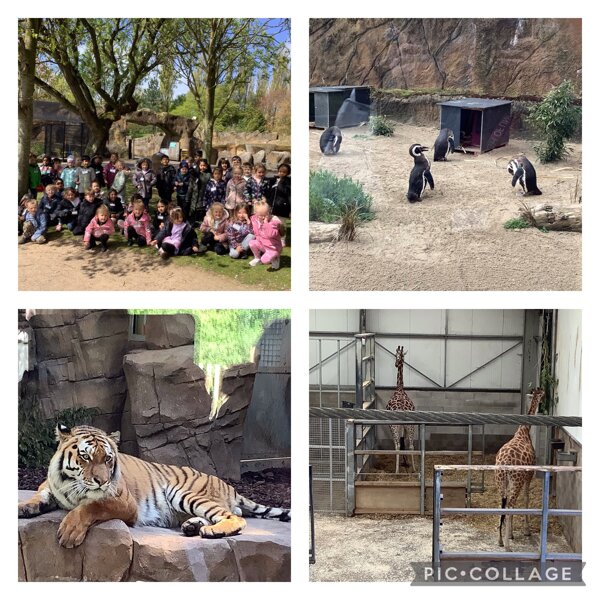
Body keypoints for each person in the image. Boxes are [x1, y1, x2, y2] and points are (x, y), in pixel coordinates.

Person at [248, 199, 285, 270]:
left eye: (265, 214)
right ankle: (257, 258)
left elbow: (271, 235)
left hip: (273, 247)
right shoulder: (254, 219)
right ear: (255, 213)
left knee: (264, 260)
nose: (263, 217)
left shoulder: (274, 221)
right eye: (260, 215)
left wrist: (265, 223)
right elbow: (255, 231)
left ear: (268, 212)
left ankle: (275, 257)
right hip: (263, 244)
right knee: (252, 243)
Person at [186, 158, 211, 225]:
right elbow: (190, 186)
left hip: (203, 194)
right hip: (194, 194)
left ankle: (201, 221)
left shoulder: (208, 175)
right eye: (201, 165)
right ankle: (193, 221)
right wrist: (188, 197)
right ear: (198, 166)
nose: (202, 167)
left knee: (201, 208)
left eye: (204, 165)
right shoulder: (195, 174)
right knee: (193, 208)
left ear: (207, 166)